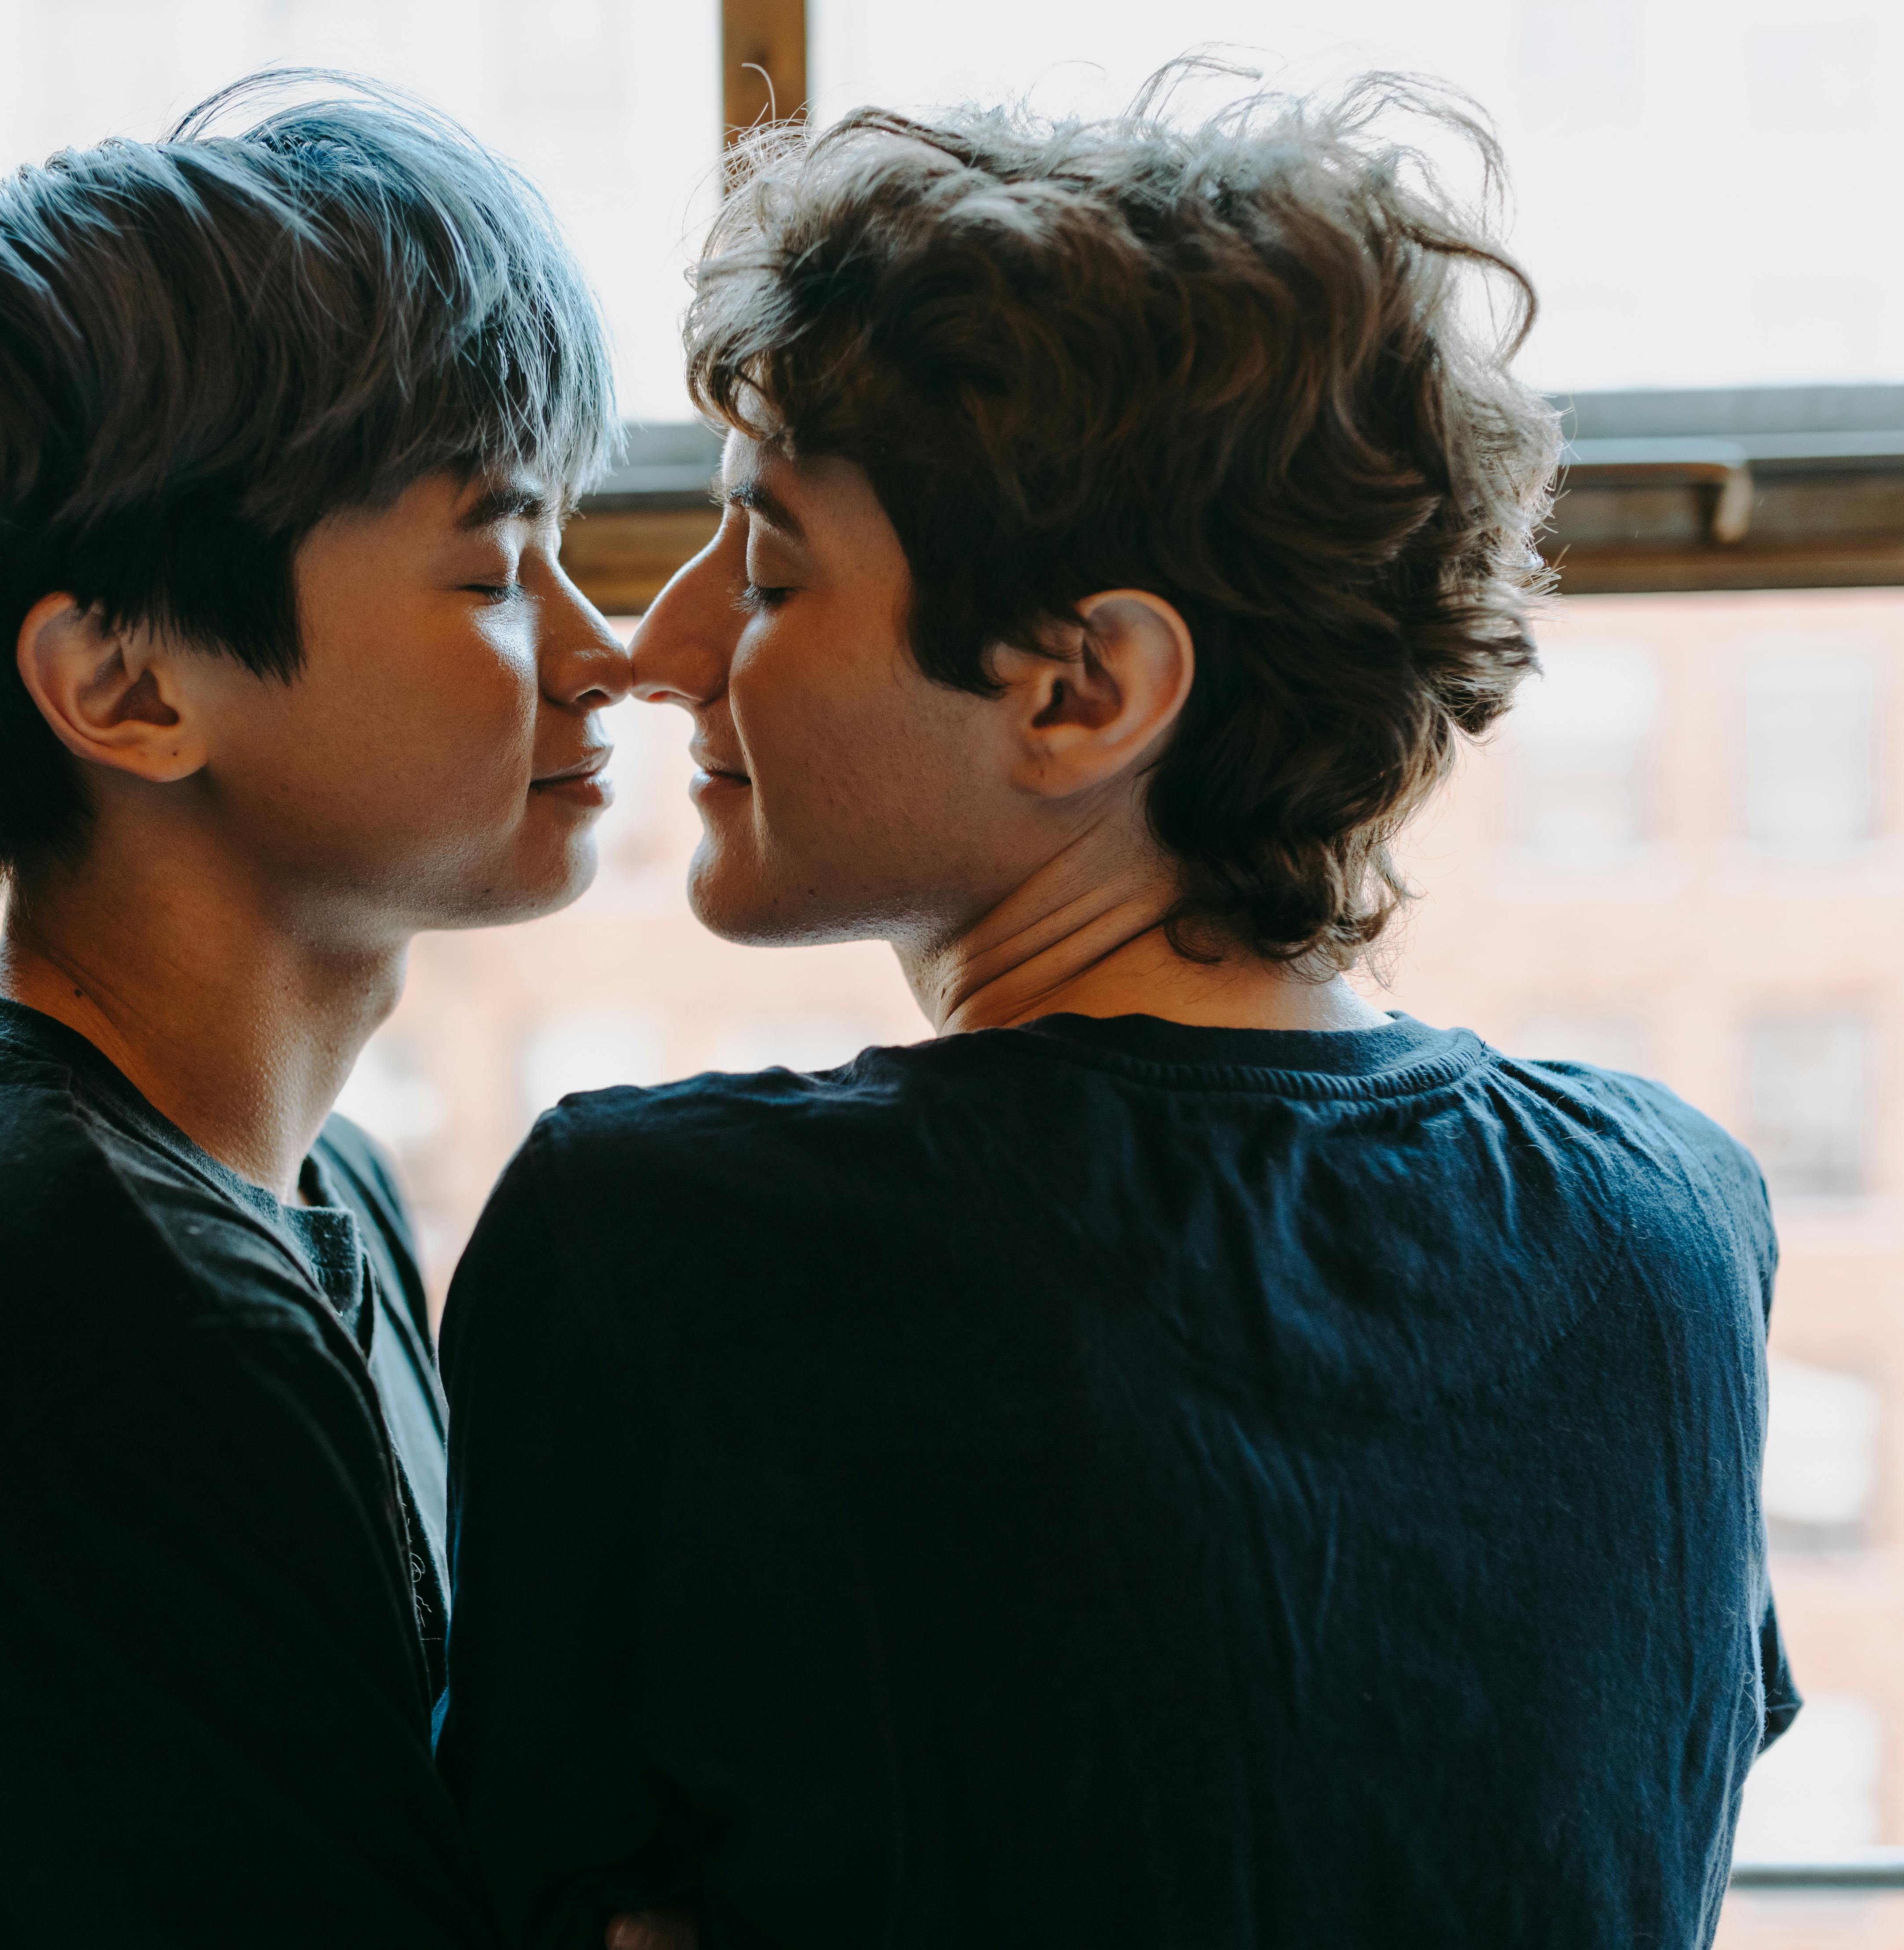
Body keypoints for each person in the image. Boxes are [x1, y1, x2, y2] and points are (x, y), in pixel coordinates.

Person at [437, 69, 1798, 1950]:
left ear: (1086, 687)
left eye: (765, 568)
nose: (661, 651)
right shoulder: (1680, 1224)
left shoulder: (667, 1243)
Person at [0, 78, 628, 1946]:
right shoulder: (28, 1272)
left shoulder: (309, 1189)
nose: (606, 655)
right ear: (125, 684)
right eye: (493, 567)